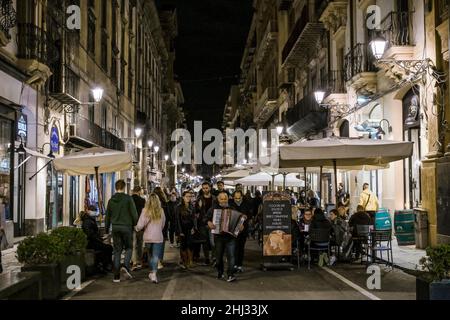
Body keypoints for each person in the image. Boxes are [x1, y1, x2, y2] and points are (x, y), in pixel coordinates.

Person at [105, 180, 138, 283]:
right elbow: (134, 214)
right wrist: (136, 224)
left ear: (115, 188)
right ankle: (126, 268)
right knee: (128, 248)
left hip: (115, 228)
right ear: (124, 187)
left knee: (117, 251)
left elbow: (107, 217)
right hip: (127, 227)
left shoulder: (111, 200)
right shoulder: (128, 199)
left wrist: (106, 229)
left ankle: (116, 276)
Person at [207, 192, 241, 282]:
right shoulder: (213, 209)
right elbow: (205, 219)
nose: (223, 200)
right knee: (218, 257)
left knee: (231, 256)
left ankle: (230, 274)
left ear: (227, 199)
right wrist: (209, 223)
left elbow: (239, 221)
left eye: (225, 198)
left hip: (230, 237)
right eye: (221, 199)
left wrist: (241, 226)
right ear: (218, 200)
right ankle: (220, 272)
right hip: (219, 237)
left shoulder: (232, 209)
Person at [135, 193, 166, 284]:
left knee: (150, 255)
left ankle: (152, 271)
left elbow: (141, 224)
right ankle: (154, 273)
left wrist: (136, 228)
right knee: (156, 256)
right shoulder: (161, 211)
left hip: (148, 236)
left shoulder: (145, 210)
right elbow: (163, 224)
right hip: (158, 236)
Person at [80, 208, 113, 273]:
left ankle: (105, 264)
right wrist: (99, 239)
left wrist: (100, 238)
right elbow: (90, 234)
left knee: (107, 247)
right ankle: (106, 265)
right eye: (94, 211)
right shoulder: (87, 221)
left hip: (94, 241)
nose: (95, 213)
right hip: (91, 242)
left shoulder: (90, 220)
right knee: (108, 248)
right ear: (89, 211)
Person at [229, 190, 252, 273]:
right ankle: (234, 264)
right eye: (236, 198)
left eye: (239, 198)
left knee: (241, 248)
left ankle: (239, 265)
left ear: (242, 197)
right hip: (233, 229)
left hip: (243, 229)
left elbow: (250, 214)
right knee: (234, 247)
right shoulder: (230, 204)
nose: (237, 199)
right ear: (233, 197)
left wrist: (247, 217)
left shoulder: (246, 204)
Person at [194, 182, 215, 265]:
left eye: (206, 188)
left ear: (210, 188)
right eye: (204, 188)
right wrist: (199, 206)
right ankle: (207, 258)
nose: (205, 189)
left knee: (213, 242)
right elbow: (196, 212)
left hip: (213, 222)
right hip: (202, 223)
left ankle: (214, 258)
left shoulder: (214, 198)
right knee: (205, 242)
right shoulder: (199, 199)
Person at [175, 191, 195, 269]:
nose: (189, 198)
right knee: (183, 246)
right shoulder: (178, 207)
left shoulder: (192, 206)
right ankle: (184, 261)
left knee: (190, 245)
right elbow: (177, 220)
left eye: (190, 196)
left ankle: (190, 261)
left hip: (190, 228)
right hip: (182, 229)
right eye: (187, 196)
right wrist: (179, 231)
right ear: (183, 197)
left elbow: (194, 218)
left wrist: (194, 227)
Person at [131, 186, 146, 271]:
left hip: (131, 224)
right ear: (139, 191)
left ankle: (134, 262)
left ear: (133, 191)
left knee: (133, 244)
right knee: (140, 243)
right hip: (140, 224)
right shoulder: (142, 200)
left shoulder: (129, 199)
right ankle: (139, 260)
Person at [154, 187, 169, 269]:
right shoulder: (164, 203)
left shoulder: (152, 204)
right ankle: (160, 259)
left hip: (153, 226)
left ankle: (155, 259)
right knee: (161, 242)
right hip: (163, 225)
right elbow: (167, 216)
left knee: (154, 242)